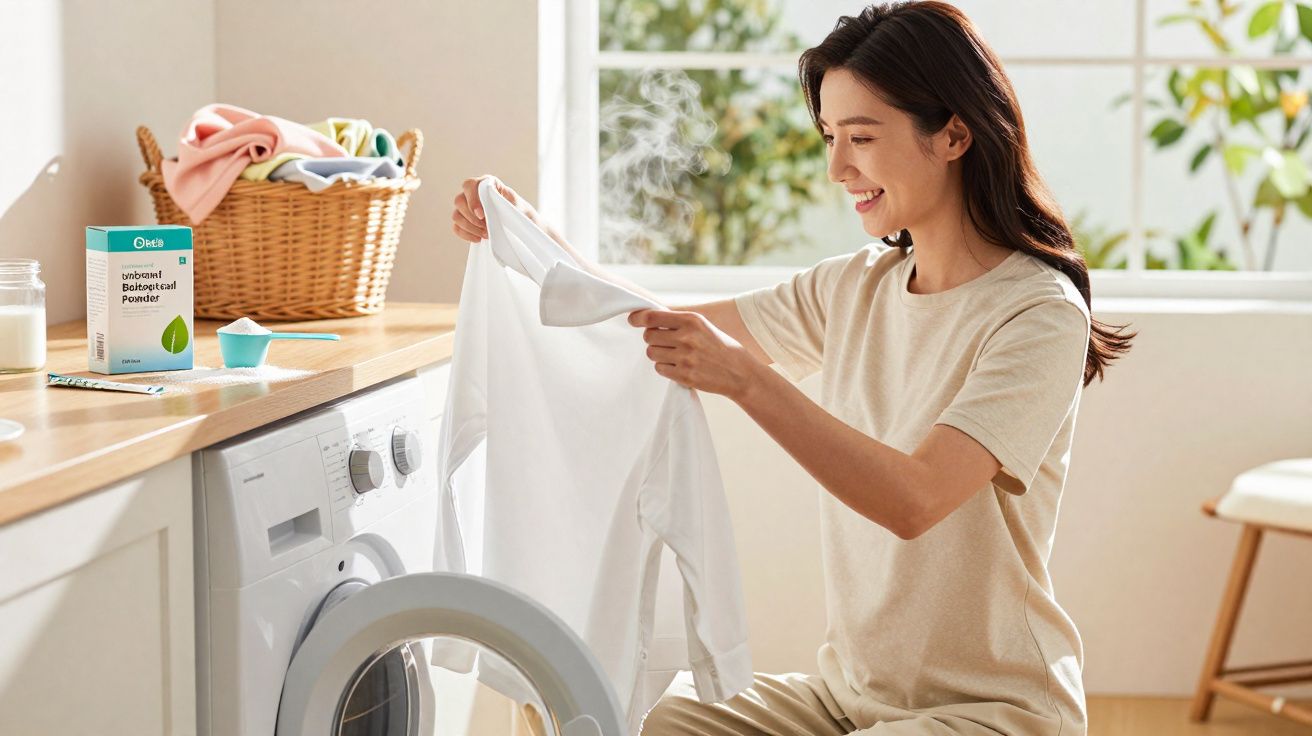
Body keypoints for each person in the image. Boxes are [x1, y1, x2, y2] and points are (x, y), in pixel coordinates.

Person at [450, 3, 1135, 733]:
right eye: (831, 138)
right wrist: (535, 245)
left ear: (954, 135)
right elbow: (660, 336)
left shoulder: (1036, 312)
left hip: (994, 712)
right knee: (605, 711)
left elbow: (917, 499)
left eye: (862, 138)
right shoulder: (857, 285)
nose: (839, 167)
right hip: (846, 699)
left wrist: (748, 378)